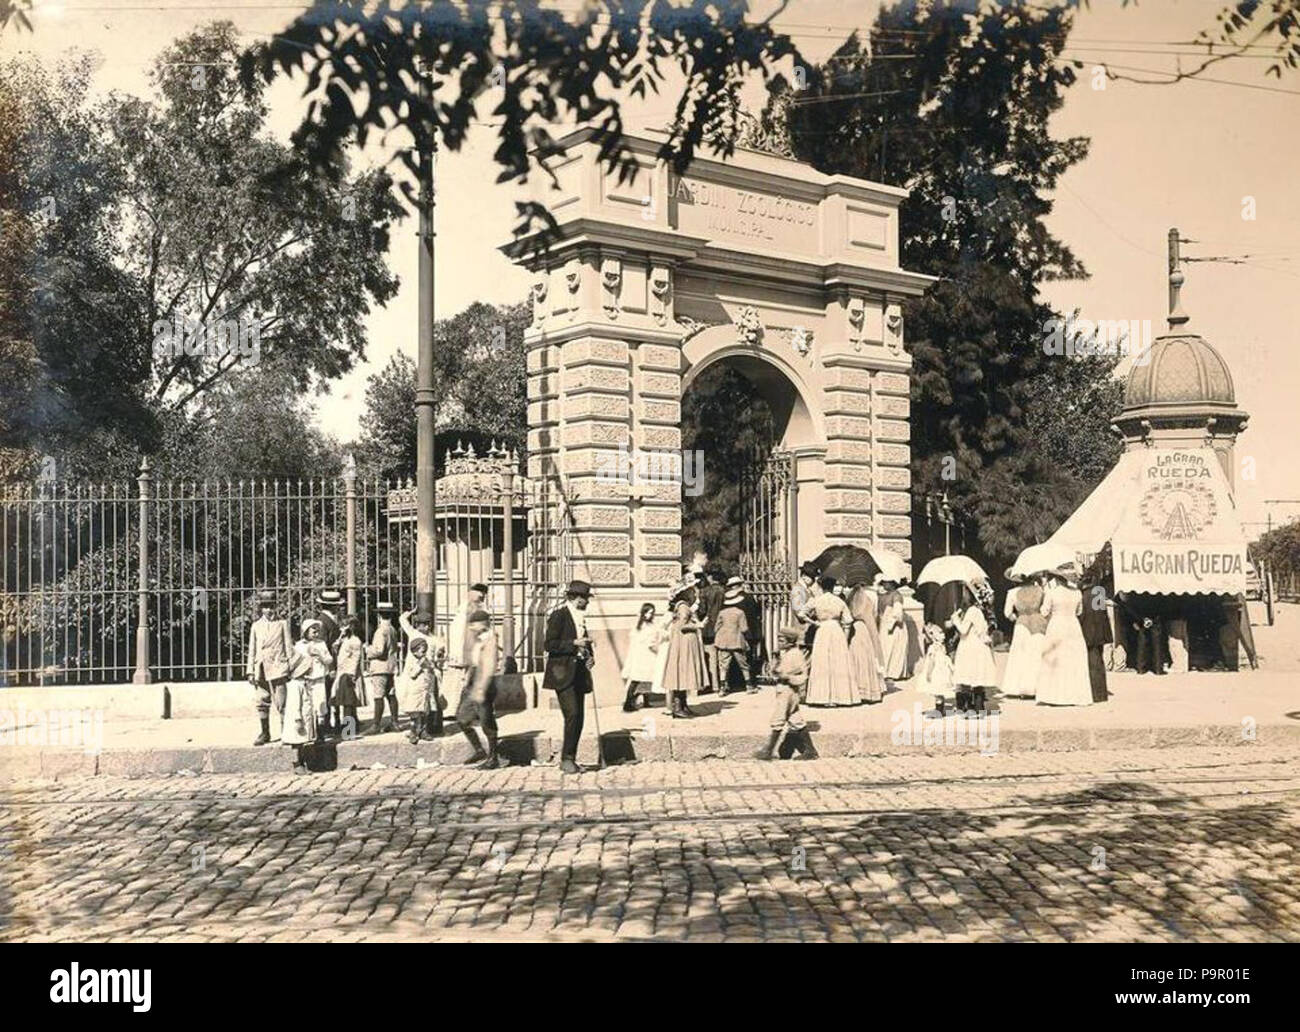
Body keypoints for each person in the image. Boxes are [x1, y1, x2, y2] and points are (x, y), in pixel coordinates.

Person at [542, 580, 594, 774]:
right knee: (571, 714)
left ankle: (571, 758)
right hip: (562, 673)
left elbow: (585, 643)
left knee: (579, 716)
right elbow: (550, 644)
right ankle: (566, 759)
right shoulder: (559, 616)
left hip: (579, 672)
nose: (587, 602)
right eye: (584, 598)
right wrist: (573, 642)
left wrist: (590, 657)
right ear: (574, 598)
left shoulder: (582, 617)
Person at [755, 624, 818, 760]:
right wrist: (776, 663)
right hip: (783, 689)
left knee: (778, 719)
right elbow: (777, 671)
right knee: (796, 720)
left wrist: (787, 676)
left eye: (782, 640)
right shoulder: (787, 654)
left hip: (788, 691)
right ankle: (810, 751)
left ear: (790, 642)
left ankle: (768, 751)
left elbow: (800, 675)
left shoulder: (795, 655)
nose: (779, 643)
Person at [246, 590, 295, 747]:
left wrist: (290, 667)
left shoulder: (282, 624)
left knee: (281, 702)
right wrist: (250, 671)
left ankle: (286, 732)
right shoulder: (256, 626)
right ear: (261, 608)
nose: (269, 610)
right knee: (261, 700)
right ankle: (265, 732)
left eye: (271, 606)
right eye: (265, 607)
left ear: (276, 607)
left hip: (278, 667)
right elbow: (252, 649)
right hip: (261, 668)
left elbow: (288, 647)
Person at [801, 575, 859, 706]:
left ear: (821, 587)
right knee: (838, 661)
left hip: (822, 629)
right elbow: (848, 621)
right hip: (836, 630)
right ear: (833, 587)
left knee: (822, 661)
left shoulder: (816, 600)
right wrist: (845, 638)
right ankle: (840, 697)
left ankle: (822, 697)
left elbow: (801, 613)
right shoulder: (839, 601)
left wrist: (814, 622)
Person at [1037, 571, 1093, 705]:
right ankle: (1075, 694)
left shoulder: (1052, 592)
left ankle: (1054, 695)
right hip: (1073, 625)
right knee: (1073, 658)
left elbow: (1044, 612)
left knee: (1056, 657)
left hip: (1057, 625)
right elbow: (1079, 612)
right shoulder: (1077, 592)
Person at [458, 610, 502, 768]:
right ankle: (479, 750)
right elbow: (473, 662)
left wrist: (481, 688)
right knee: (462, 719)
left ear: (483, 623)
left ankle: (493, 758)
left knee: (486, 721)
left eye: (474, 624)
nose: (471, 627)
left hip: (484, 682)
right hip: (473, 680)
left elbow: (489, 665)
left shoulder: (490, 639)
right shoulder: (478, 639)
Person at [443, 583, 490, 716]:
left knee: (460, 681)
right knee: (463, 682)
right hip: (465, 652)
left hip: (461, 651)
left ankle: (454, 710)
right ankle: (456, 710)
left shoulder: (464, 609)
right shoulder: (471, 609)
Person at [950, 588, 997, 713]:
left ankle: (967, 706)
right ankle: (978, 707)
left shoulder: (971, 611)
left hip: (970, 646)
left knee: (968, 675)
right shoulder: (979, 611)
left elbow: (964, 630)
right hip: (978, 645)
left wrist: (955, 621)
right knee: (977, 677)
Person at [1001, 570, 1046, 699]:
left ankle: (1018, 688)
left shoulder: (1013, 593)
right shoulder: (1040, 591)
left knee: (1020, 655)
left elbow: (1007, 613)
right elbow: (1045, 609)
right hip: (1037, 622)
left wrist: (1016, 617)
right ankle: (1035, 688)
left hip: (1022, 623)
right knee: (1035, 655)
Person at [661, 596, 707, 717]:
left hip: (682, 643)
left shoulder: (683, 607)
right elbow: (682, 625)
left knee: (683, 674)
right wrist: (698, 625)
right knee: (682, 673)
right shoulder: (684, 607)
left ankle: (682, 705)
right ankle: (678, 707)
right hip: (683, 644)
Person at [400, 607, 443, 734]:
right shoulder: (413, 633)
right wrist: (411, 612)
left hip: (427, 674)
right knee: (413, 702)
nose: (425, 627)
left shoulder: (434, 640)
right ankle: (414, 729)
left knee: (425, 703)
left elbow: (436, 658)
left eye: (427, 624)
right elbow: (402, 619)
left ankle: (423, 730)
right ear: (417, 624)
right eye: (422, 624)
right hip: (412, 673)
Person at [1077, 552, 1113, 702]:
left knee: (1092, 662)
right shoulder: (1098, 592)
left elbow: (1083, 614)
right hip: (1100, 629)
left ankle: (1094, 693)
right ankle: (1101, 692)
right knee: (1099, 661)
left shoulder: (1082, 594)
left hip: (1088, 630)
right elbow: (1100, 613)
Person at [714, 577, 755, 694]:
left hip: (723, 641)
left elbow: (717, 626)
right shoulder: (740, 612)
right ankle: (749, 686)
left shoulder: (722, 612)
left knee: (723, 666)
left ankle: (722, 688)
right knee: (743, 664)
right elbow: (744, 628)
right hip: (737, 640)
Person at [365, 601, 401, 733]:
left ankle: (375, 725)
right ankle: (395, 722)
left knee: (378, 695)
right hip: (390, 666)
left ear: (379, 616)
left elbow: (379, 650)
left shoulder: (381, 631)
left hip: (380, 667)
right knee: (391, 694)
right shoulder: (392, 630)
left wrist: (368, 650)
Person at [297, 619, 335, 742]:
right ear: (306, 631)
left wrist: (320, 655)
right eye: (313, 631)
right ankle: (308, 733)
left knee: (320, 704)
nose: (316, 634)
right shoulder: (299, 646)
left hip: (318, 678)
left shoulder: (321, 644)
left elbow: (329, 660)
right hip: (305, 680)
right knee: (306, 706)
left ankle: (320, 733)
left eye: (317, 631)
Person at [847, 583, 886, 703]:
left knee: (855, 657)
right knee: (867, 657)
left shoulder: (851, 594)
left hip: (854, 626)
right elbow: (874, 613)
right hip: (865, 626)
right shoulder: (872, 594)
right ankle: (869, 688)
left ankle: (856, 689)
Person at [282, 644, 317, 774]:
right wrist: (298, 719)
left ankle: (302, 762)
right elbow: (295, 704)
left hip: (303, 717)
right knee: (296, 743)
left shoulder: (303, 683)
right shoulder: (295, 686)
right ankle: (297, 764)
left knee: (301, 742)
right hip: (298, 719)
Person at [621, 603, 662, 711]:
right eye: (648, 612)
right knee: (636, 678)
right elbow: (649, 643)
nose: (650, 615)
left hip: (646, 655)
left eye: (652, 613)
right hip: (641, 655)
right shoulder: (641, 626)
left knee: (647, 678)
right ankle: (628, 702)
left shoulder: (651, 625)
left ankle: (646, 700)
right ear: (643, 613)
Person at [398, 635, 437, 744]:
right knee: (415, 714)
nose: (424, 654)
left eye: (425, 652)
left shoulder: (426, 660)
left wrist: (431, 667)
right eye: (422, 651)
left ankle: (423, 731)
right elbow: (412, 674)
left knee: (424, 712)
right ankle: (413, 732)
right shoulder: (412, 661)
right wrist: (420, 664)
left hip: (425, 690)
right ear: (414, 652)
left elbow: (430, 672)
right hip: (415, 691)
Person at [332, 615, 368, 737]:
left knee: (348, 704)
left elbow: (356, 659)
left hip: (348, 675)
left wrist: (352, 674)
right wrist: (338, 641)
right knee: (347, 703)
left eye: (344, 625)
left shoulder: (355, 641)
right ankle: (352, 728)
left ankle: (348, 731)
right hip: (342, 673)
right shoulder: (345, 640)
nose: (342, 628)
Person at [314, 589, 344, 732]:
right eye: (337, 606)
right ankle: (326, 725)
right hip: (328, 664)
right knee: (326, 694)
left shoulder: (330, 619)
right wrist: (331, 667)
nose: (339, 608)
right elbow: (323, 646)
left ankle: (334, 723)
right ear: (332, 606)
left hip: (334, 661)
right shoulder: (322, 621)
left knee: (333, 693)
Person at [915, 623, 955, 709]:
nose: (943, 635)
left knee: (942, 690)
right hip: (936, 671)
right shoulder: (933, 648)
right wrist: (929, 673)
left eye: (943, 633)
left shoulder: (942, 646)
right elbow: (931, 661)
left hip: (942, 671)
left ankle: (941, 708)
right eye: (940, 633)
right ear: (934, 636)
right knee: (938, 692)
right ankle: (939, 709)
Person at [700, 566, 726, 692]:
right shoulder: (724, 590)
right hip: (723, 626)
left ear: (710, 577)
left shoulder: (704, 591)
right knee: (723, 658)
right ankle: (722, 684)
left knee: (710, 658)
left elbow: (702, 610)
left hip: (708, 629)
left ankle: (712, 684)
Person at [877, 579, 909, 682]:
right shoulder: (884, 595)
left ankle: (894, 673)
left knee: (894, 649)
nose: (884, 584)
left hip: (894, 626)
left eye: (887, 582)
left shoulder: (897, 595)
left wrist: (891, 624)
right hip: (884, 624)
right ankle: (886, 671)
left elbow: (897, 613)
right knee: (886, 648)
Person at [738, 578, 766, 678]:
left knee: (747, 653)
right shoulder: (750, 598)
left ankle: (747, 675)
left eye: (748, 587)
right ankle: (751, 674)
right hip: (751, 629)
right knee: (749, 653)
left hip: (746, 629)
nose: (746, 589)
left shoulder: (741, 598)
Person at [790, 562, 818, 648]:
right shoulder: (797, 589)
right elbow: (799, 613)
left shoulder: (807, 590)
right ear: (804, 576)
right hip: (802, 632)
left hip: (808, 632)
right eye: (812, 577)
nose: (814, 580)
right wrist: (814, 622)